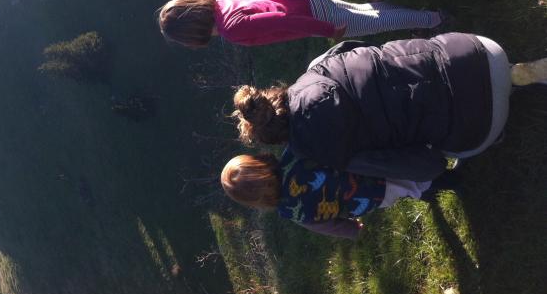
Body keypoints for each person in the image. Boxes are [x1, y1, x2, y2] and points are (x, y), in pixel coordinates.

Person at [231, 33, 547, 181]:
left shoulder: (334, 153)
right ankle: (508, 74)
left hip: (479, 125)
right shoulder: (319, 66)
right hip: (475, 47)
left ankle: (500, 111)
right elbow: (366, 48)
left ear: (281, 141)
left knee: (458, 149)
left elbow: (427, 166)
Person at [220, 151, 460, 239]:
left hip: (370, 196)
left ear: (256, 202)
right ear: (259, 160)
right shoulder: (295, 152)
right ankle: (447, 178)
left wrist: (352, 229)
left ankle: (438, 185)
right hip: (369, 163)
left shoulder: (292, 211)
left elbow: (327, 226)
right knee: (405, 170)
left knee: (405, 187)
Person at [158, 0, 444, 48]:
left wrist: (329, 30)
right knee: (367, 12)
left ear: (193, 34)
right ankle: (419, 17)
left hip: (313, 15)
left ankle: (434, 19)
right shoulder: (219, 5)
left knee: (376, 24)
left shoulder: (232, 29)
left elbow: (284, 21)